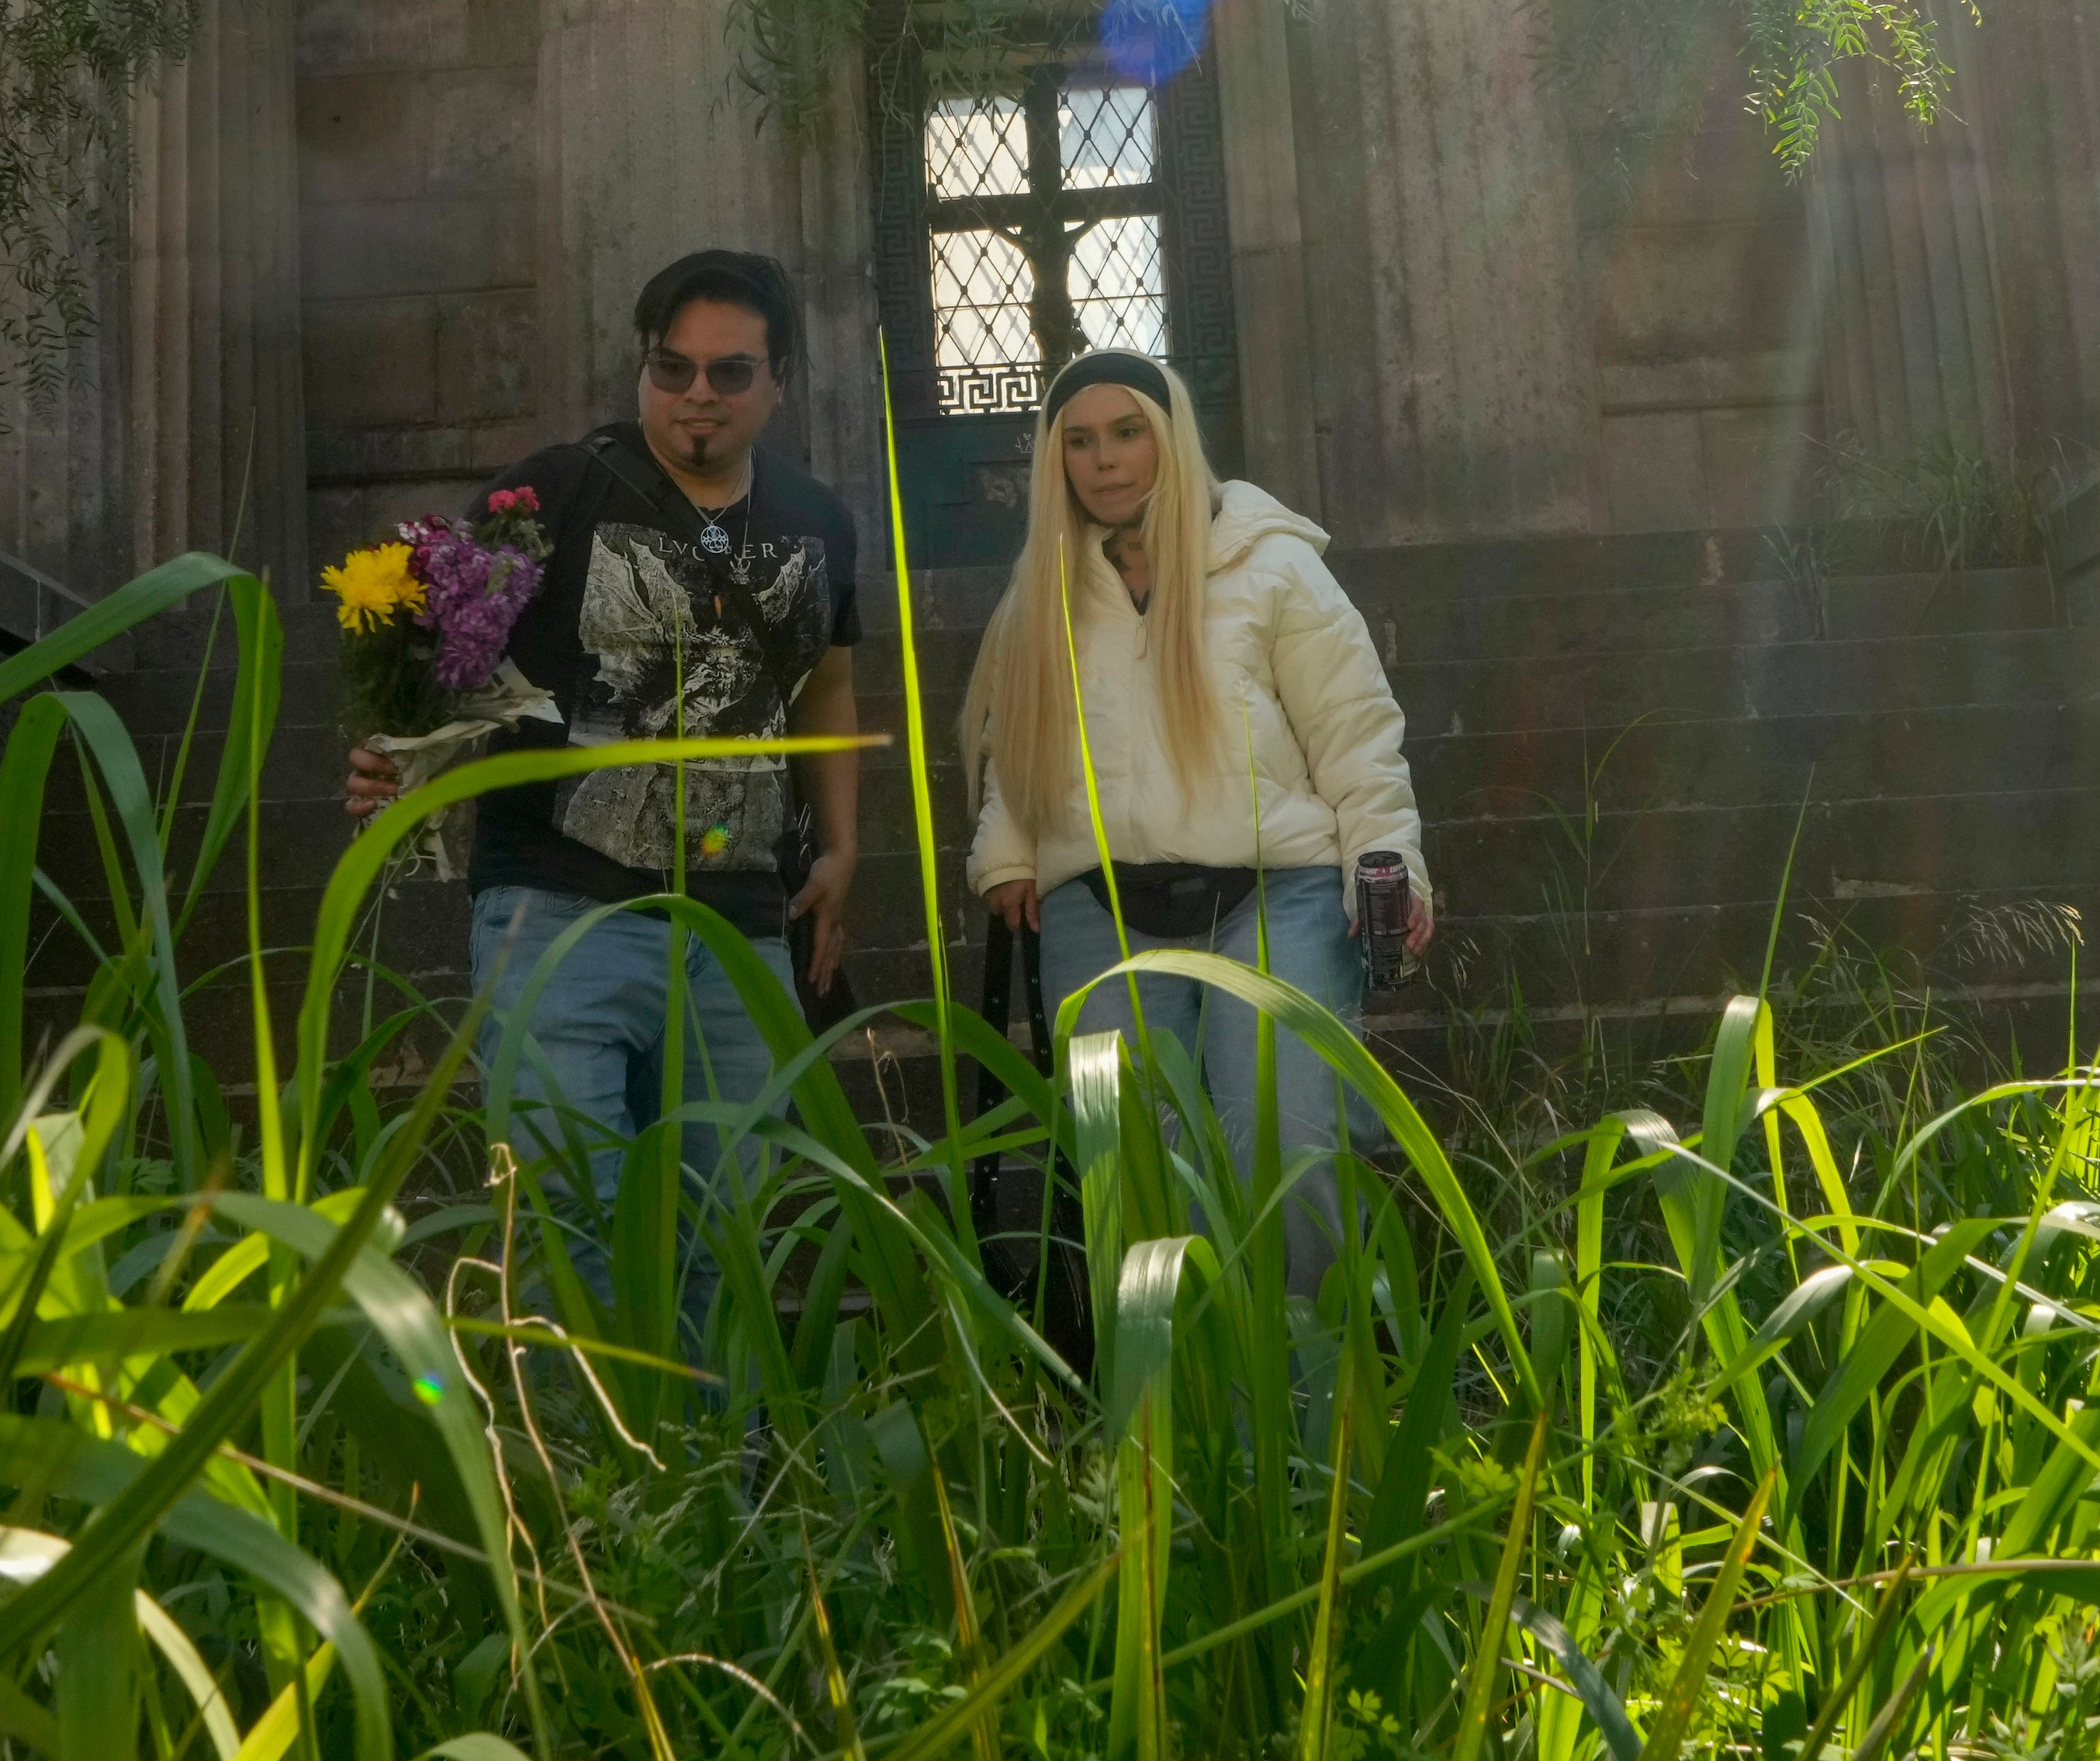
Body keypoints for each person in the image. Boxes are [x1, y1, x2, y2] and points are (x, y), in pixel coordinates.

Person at [344, 247, 863, 1313]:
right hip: (557, 907)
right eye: (672, 370)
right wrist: (398, 754)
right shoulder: (558, 490)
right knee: (565, 1221)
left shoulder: (820, 524)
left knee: (727, 1236)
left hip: (739, 921)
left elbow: (828, 685)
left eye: (728, 373)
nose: (696, 398)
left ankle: (722, 1470)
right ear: (643, 374)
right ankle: (587, 1471)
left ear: (780, 383)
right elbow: (436, 644)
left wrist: (844, 848)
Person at [967, 349, 1433, 1292]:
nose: (1105, 461)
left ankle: (1315, 1413)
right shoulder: (1043, 589)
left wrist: (1388, 861)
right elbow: (1022, 736)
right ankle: (1171, 1423)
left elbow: (1355, 730)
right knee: (1138, 1174)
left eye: (1128, 433)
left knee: (1289, 1147)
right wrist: (1007, 849)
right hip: (1102, 910)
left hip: (1280, 894)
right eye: (1081, 442)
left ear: (1172, 437)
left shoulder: (1274, 565)